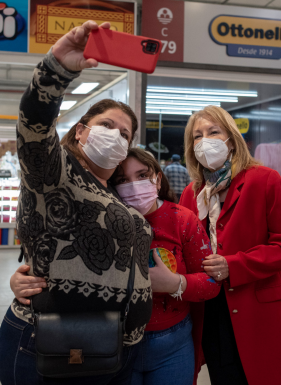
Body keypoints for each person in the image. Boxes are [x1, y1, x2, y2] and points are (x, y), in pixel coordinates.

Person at [0, 21, 153, 385]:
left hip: (114, 348)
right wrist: (58, 67)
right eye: (106, 125)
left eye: (124, 134)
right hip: (58, 346)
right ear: (81, 130)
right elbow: (34, 125)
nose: (115, 136)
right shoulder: (55, 173)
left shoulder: (116, 194)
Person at [179, 105, 281, 385]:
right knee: (224, 375)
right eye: (197, 136)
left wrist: (233, 265)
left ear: (231, 140)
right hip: (211, 308)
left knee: (262, 375)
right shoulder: (192, 193)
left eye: (213, 132)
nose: (204, 140)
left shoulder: (264, 180)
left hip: (257, 305)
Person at [109, 149, 220, 385]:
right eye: (122, 180)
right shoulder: (102, 223)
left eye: (142, 175)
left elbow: (212, 284)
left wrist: (176, 283)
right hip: (115, 343)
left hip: (173, 346)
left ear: (158, 179)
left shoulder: (183, 219)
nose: (134, 185)